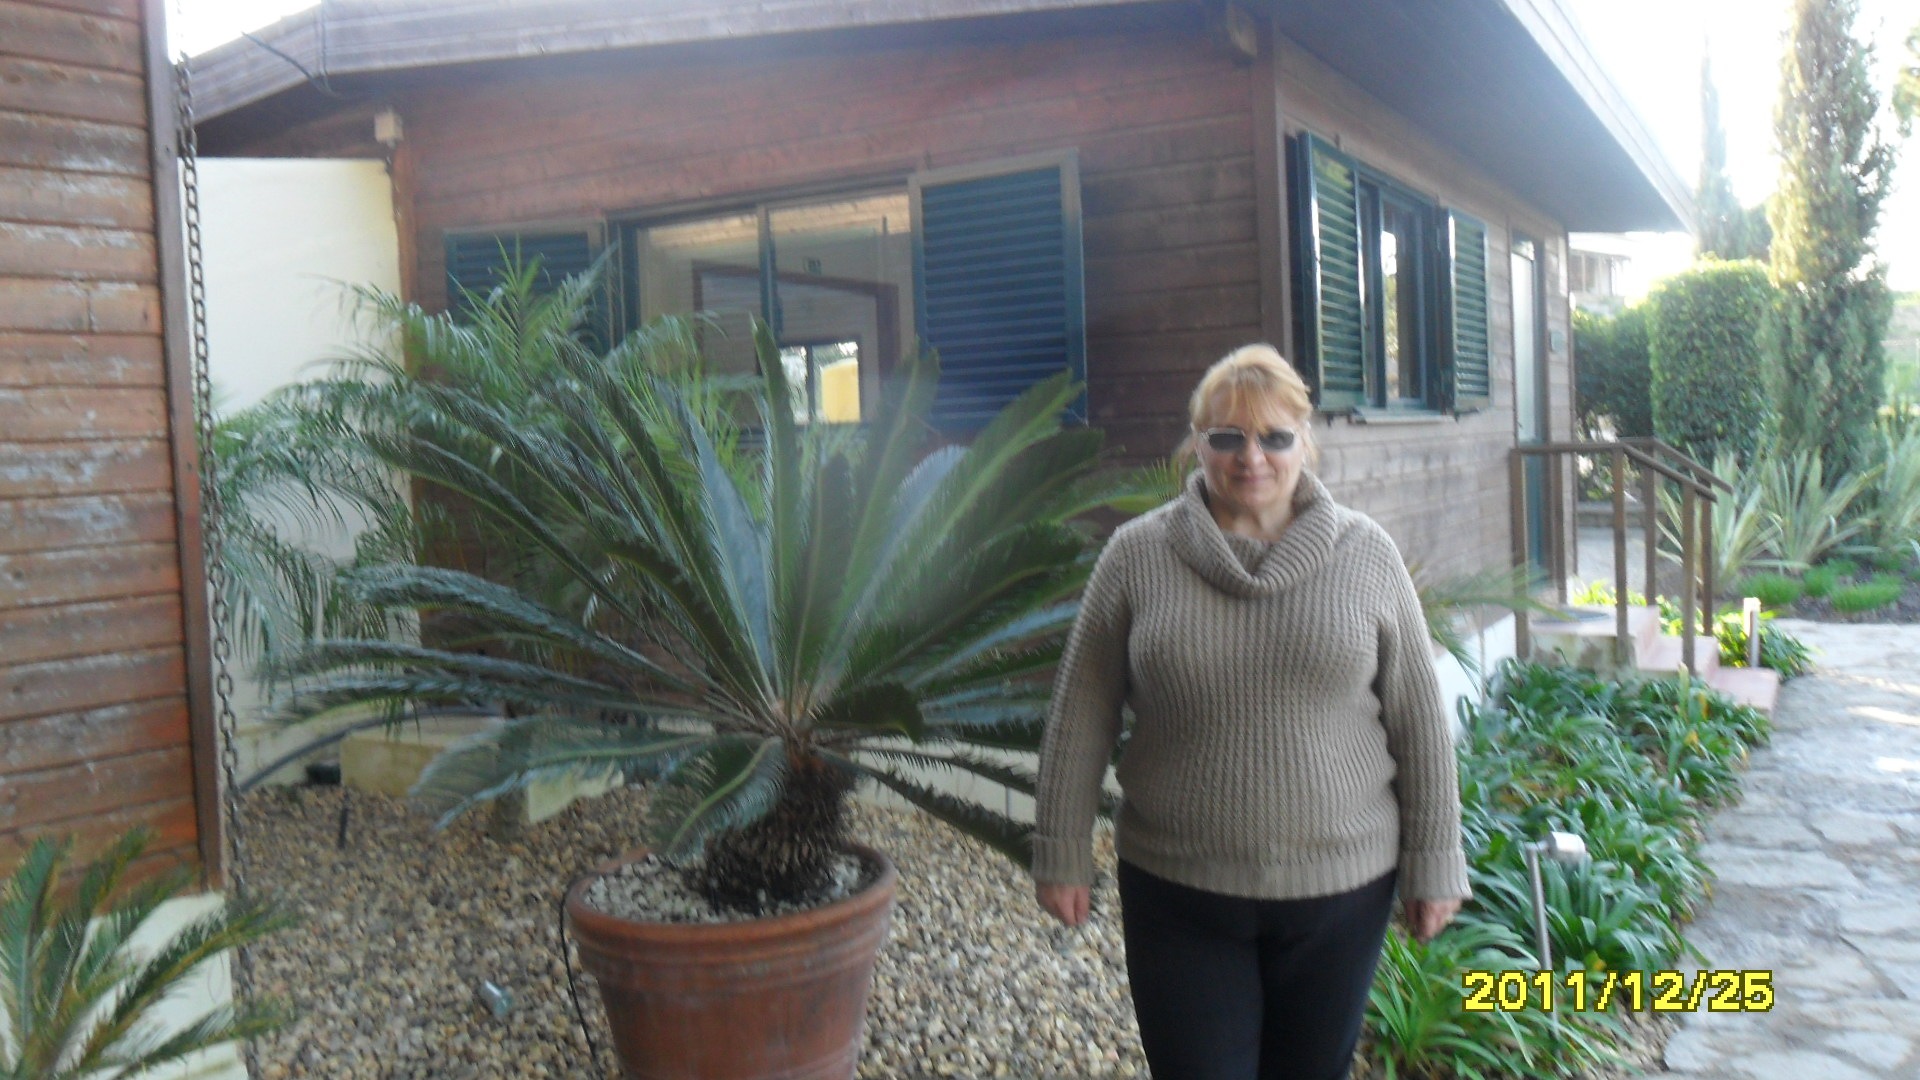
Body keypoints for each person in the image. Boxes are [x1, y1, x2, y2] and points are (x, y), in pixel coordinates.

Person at [1032, 344, 1469, 1080]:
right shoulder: (1136, 557)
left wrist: (1436, 862)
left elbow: (1419, 722)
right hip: (1179, 892)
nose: (1251, 457)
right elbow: (1082, 712)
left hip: (1340, 893)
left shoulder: (1367, 555)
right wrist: (1060, 848)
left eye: (1274, 436)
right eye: (1227, 436)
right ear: (1197, 443)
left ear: (1306, 441)